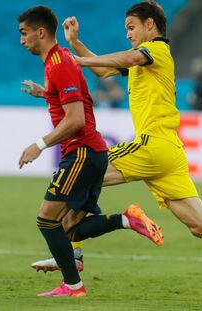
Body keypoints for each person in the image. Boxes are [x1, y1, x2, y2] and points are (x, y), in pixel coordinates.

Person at [31, 1, 202, 302]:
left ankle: (73, 254)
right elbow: (106, 71)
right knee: (200, 225)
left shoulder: (158, 50)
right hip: (169, 153)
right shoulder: (142, 60)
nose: (128, 34)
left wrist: (76, 62)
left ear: (150, 25)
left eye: (131, 27)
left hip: (153, 145)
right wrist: (76, 44)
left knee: (89, 166)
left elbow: (124, 57)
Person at [17, 5, 163, 297]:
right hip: (91, 152)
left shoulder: (59, 62)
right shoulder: (56, 63)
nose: (22, 40)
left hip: (82, 152)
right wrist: (44, 93)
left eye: (24, 33)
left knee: (46, 219)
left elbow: (76, 119)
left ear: (41, 32)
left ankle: (73, 285)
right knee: (71, 227)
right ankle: (127, 219)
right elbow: (78, 100)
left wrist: (40, 145)